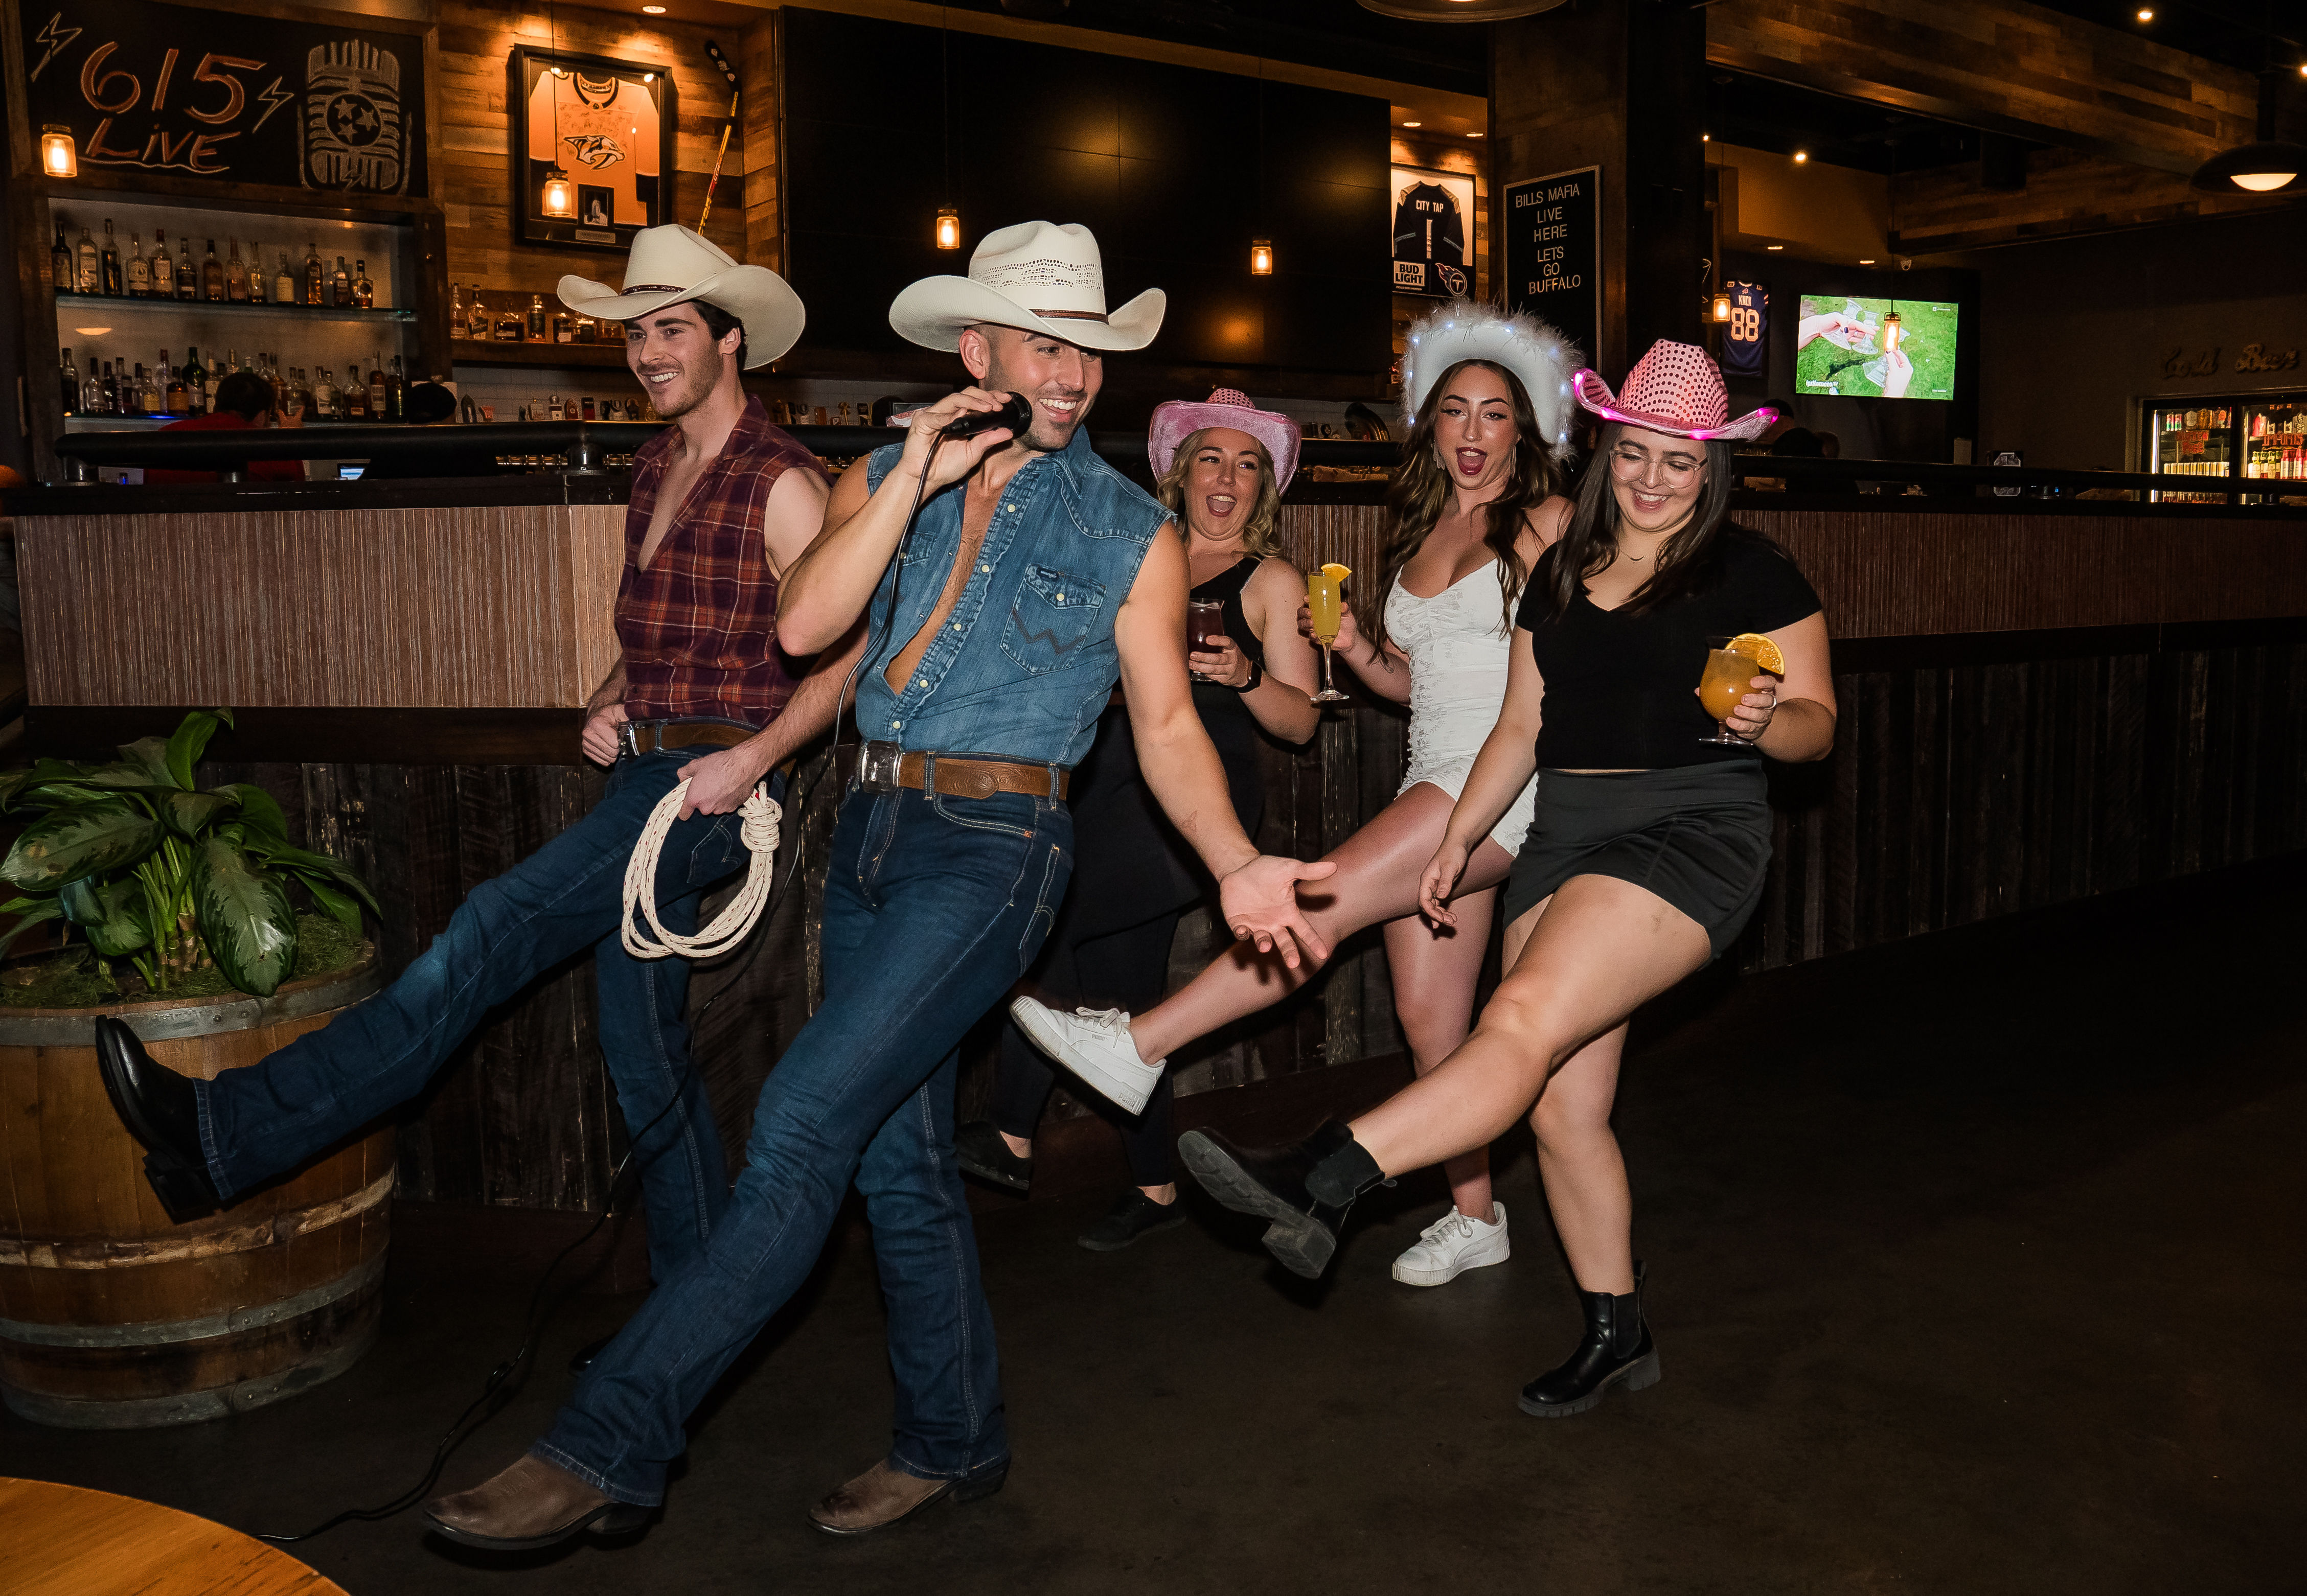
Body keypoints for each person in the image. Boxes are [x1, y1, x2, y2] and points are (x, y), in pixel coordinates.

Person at [406, 220, 1332, 1549]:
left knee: (797, 1125)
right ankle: (954, 1440)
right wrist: (912, 480)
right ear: (979, 351)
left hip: (1003, 850)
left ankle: (610, 1438)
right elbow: (801, 626)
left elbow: (1173, 727)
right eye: (1048, 349)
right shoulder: (886, 472)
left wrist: (1239, 865)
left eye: (1090, 355)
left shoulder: (1134, 526)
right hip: (877, 834)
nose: (1072, 379)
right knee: (898, 1162)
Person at [93, 223, 852, 1319]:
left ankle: (225, 1128)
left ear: (730, 340)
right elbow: (656, 638)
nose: (647, 353)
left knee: (489, 928)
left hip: (709, 794)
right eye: (635, 333)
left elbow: (851, 654)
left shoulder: (782, 482)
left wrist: (754, 757)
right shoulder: (652, 465)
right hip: (644, 778)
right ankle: (698, 1318)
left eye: (671, 330)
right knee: (644, 1059)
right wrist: (611, 692)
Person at [1174, 341, 1836, 1419]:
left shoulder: (1752, 571)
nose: (1654, 479)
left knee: (1515, 1016)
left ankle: (1325, 1173)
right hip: (1565, 834)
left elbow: (1818, 730)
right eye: (1636, 455)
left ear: (1711, 468)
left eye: (1680, 462)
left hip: (1689, 829)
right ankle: (1619, 1331)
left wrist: (1769, 720)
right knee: (1566, 1109)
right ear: (1608, 450)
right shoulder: (1562, 570)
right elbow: (1521, 724)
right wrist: (1455, 841)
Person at [1015, 302, 1597, 1288]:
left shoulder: (1541, 521)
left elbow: (1569, 663)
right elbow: (1422, 681)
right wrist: (1360, 650)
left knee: (1314, 897)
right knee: (1429, 1021)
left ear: (1525, 427)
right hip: (1434, 768)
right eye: (1451, 411)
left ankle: (1139, 1042)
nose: (1468, 433)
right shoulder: (1425, 528)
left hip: (1504, 780)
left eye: (1492, 414)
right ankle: (1477, 1213)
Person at [959, 390, 1321, 1250]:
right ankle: (1156, 1187)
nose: (1225, 477)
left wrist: (1240, 675)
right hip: (1104, 779)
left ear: (1261, 486)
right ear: (1180, 473)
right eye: (1210, 458)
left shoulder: (1269, 581)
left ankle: (1008, 1130)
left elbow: (1301, 719)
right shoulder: (1134, 557)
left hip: (1195, 798)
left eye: (1245, 464)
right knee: (1120, 994)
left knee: (1049, 932)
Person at [143, 369, 306, 484]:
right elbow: (299, 500)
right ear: (262, 416)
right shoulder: (274, 450)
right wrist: (290, 436)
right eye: (270, 417)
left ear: (216, 405)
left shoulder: (165, 436)